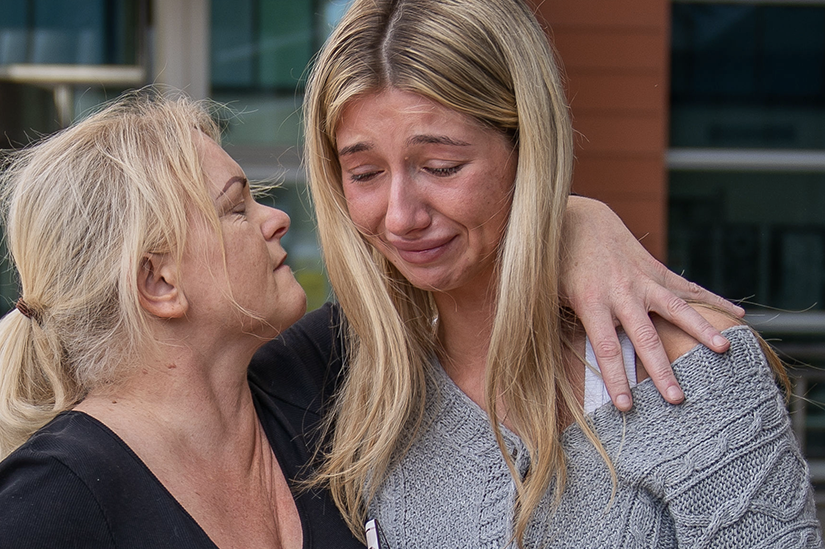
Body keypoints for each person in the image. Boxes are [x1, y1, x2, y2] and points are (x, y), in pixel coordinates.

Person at [302, 0, 823, 547]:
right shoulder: (368, 387)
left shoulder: (688, 365)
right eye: (364, 174)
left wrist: (570, 213)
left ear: (528, 148)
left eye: (441, 168)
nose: (401, 216)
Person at [0, 93, 361, 548]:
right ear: (158, 281)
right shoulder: (48, 504)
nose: (278, 219)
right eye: (236, 209)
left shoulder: (313, 377)